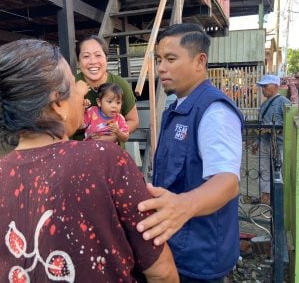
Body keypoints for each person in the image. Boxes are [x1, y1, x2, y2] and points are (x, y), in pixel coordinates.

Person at [0, 39, 179, 283]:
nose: (82, 94)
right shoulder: (107, 160)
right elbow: (161, 272)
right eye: (75, 86)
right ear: (59, 104)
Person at [136, 23, 244, 282]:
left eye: (171, 59)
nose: (161, 67)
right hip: (176, 246)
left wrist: (182, 206)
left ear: (200, 61)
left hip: (200, 257)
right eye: (159, 59)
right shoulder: (176, 108)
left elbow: (227, 182)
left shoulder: (214, 112)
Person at [75, 35, 139, 143]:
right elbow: (60, 125)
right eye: (86, 56)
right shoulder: (70, 85)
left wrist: (114, 137)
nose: (93, 61)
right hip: (77, 154)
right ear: (78, 61)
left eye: (98, 55)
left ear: (106, 59)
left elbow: (133, 120)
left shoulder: (120, 84)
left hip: (112, 154)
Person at [254, 74, 291, 205]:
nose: (263, 89)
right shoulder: (263, 105)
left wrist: (272, 129)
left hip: (278, 145)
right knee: (263, 170)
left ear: (276, 86)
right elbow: (261, 124)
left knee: (277, 171)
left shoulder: (284, 102)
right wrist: (256, 142)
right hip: (264, 143)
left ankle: (279, 198)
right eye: (262, 87)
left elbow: (289, 124)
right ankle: (265, 197)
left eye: (265, 86)